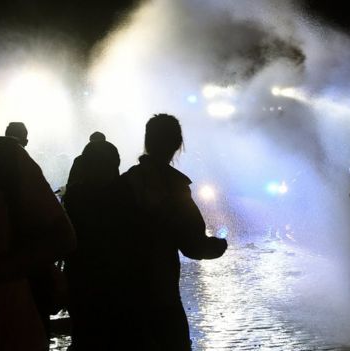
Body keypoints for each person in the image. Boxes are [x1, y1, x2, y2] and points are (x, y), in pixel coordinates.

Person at [121, 114, 227, 350]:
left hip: (123, 296)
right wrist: (219, 246)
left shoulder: (125, 182)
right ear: (178, 144)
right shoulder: (175, 186)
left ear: (147, 142)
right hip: (162, 294)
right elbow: (194, 246)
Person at [0, 135, 76, 351]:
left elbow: (63, 236)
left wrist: (1, 270)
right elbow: (63, 236)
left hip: (9, 326)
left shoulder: (4, 158)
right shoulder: (6, 157)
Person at [62, 139, 123, 350]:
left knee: (83, 335)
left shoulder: (74, 198)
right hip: (115, 283)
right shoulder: (123, 197)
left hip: (80, 281)